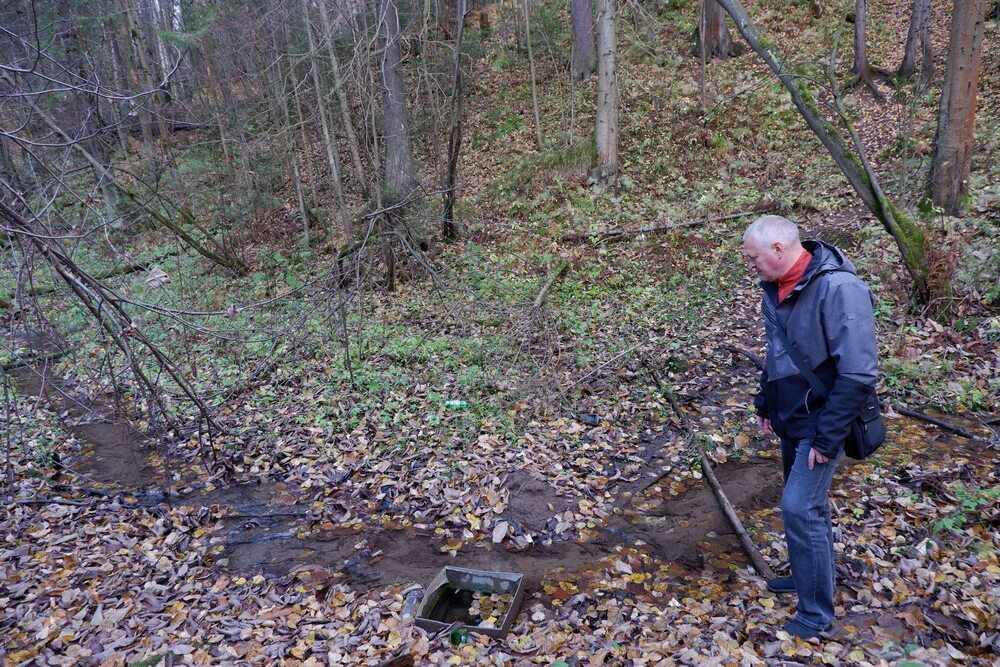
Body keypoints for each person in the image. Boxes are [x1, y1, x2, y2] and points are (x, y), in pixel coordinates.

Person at [741, 215, 879, 640]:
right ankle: (807, 579)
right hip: (791, 417)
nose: (751, 265)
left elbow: (858, 373)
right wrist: (766, 401)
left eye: (754, 257)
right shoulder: (774, 290)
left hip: (822, 422)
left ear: (779, 249)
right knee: (805, 508)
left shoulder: (841, 289)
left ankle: (816, 613)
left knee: (800, 509)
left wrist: (827, 436)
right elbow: (778, 352)